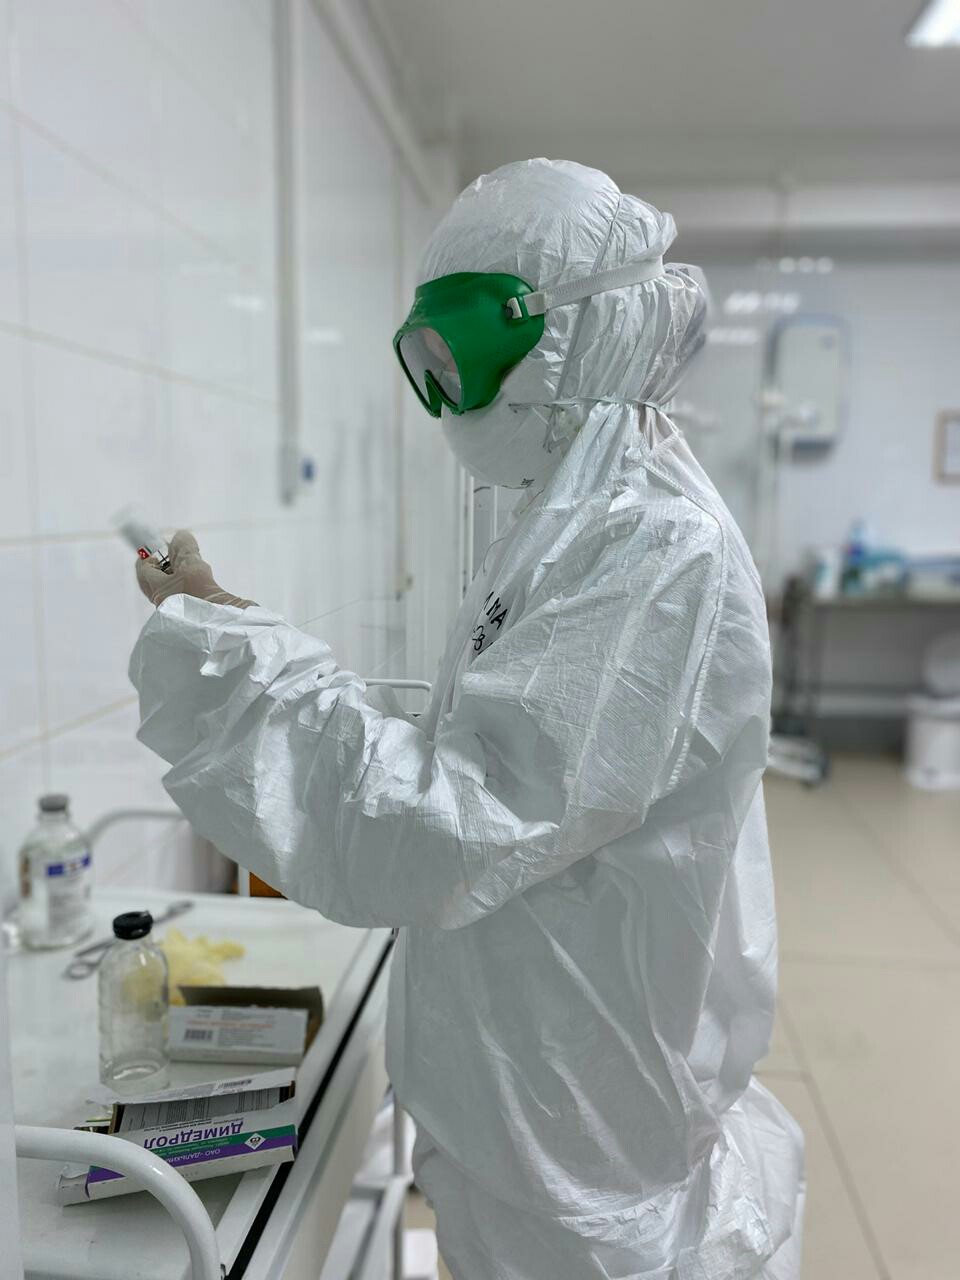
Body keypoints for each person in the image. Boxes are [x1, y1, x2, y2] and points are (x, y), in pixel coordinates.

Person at [132, 159, 804, 1279]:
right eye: (425, 364)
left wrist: (228, 662)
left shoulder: (646, 543)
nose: (446, 397)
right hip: (538, 1086)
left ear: (571, 331)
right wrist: (237, 627)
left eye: (459, 355)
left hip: (581, 1140)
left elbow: (457, 821)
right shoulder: (570, 522)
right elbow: (495, 756)